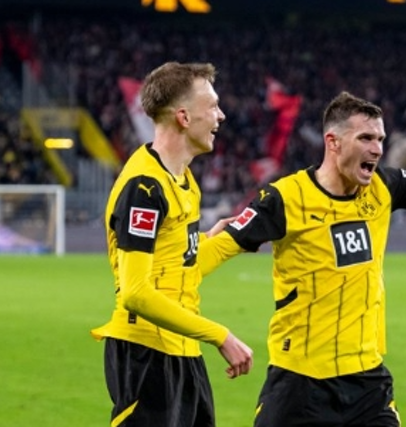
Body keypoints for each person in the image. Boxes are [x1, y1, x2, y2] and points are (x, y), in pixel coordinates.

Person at [198, 89, 406, 426]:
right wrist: (164, 281)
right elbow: (216, 251)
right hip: (300, 383)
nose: (377, 149)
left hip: (367, 383)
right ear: (333, 142)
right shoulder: (284, 199)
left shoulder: (382, 187)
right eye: (365, 138)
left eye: (380, 139)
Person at [91, 61, 254, 427]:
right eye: (212, 106)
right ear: (183, 116)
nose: (221, 116)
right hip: (145, 353)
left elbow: (182, 267)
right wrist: (221, 336)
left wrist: (229, 242)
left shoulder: (184, 180)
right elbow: (136, 293)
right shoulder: (144, 188)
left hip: (182, 349)